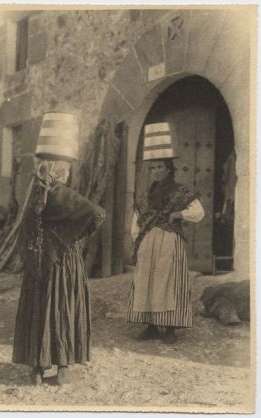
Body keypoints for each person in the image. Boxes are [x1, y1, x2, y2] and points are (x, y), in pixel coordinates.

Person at [12, 113, 105, 385]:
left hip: (37, 264)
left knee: (40, 309)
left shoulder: (35, 195)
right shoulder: (63, 194)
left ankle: (37, 370)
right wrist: (71, 236)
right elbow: (98, 214)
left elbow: (27, 230)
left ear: (42, 168)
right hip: (62, 262)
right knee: (62, 307)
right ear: (61, 170)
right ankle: (63, 369)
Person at [126, 122, 204, 344]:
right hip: (148, 240)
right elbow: (137, 218)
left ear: (169, 169)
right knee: (147, 280)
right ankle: (151, 325)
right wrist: (137, 238)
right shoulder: (145, 194)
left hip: (169, 239)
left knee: (168, 281)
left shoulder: (180, 191)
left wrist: (178, 215)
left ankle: (170, 328)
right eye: (153, 168)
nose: (156, 171)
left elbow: (198, 212)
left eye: (160, 167)